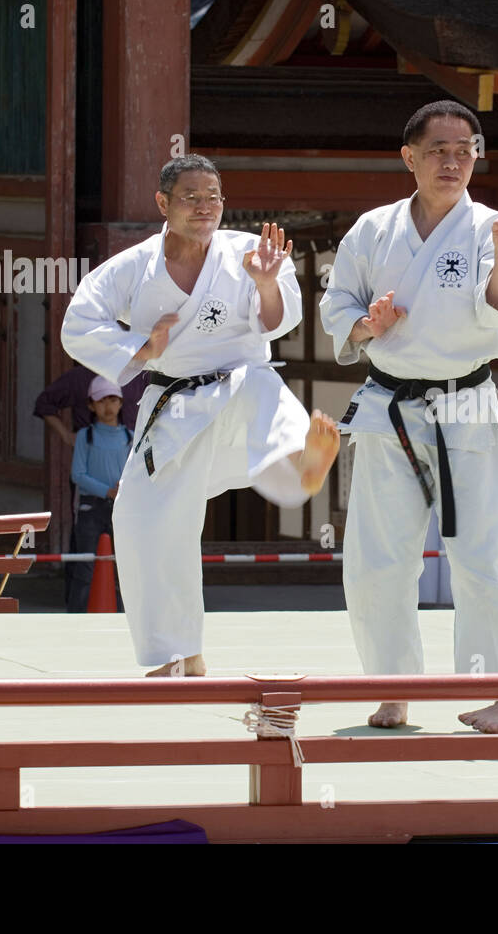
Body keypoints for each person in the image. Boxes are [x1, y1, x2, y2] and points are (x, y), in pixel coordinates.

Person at [319, 100, 498, 734]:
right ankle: (393, 689)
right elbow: (336, 301)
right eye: (438, 150)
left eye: (465, 149)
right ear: (410, 157)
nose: (453, 161)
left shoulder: (494, 227)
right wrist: (369, 324)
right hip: (388, 403)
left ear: (477, 156)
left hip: (464, 403)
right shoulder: (372, 230)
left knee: (481, 557)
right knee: (377, 559)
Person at [61, 154, 340, 676]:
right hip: (173, 404)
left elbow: (278, 324)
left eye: (213, 196)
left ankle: (301, 460)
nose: (205, 206)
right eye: (191, 197)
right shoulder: (131, 267)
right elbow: (77, 325)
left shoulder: (246, 252)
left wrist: (265, 285)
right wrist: (143, 346)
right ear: (163, 203)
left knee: (261, 391)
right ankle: (177, 653)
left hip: (240, 383)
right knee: (145, 521)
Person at [67, 376, 132, 613]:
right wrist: (107, 491)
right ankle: (76, 617)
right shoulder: (85, 436)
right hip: (90, 508)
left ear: (121, 403)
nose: (108, 406)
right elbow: (78, 474)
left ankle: (128, 616)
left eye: (113, 400)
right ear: (91, 405)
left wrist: (121, 489)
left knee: (124, 566)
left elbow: (136, 474)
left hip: (122, 507)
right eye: (102, 401)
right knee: (85, 565)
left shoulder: (130, 438)